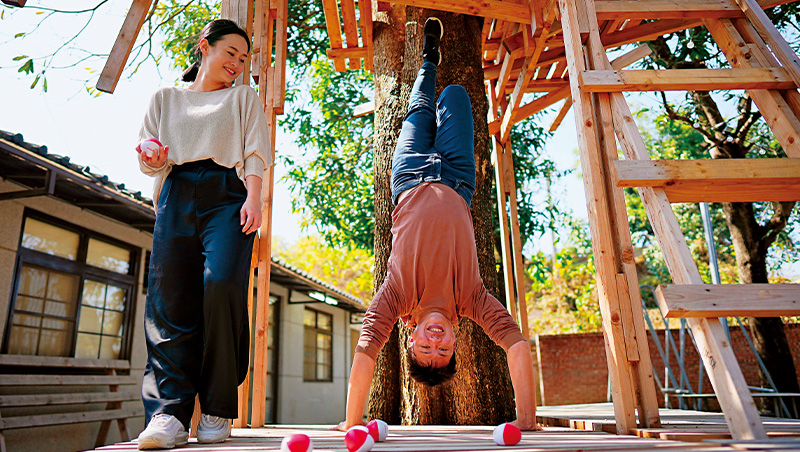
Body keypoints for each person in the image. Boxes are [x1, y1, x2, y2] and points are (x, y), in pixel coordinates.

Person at [334, 17, 542, 432]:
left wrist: (350, 422)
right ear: (455, 342)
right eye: (441, 349)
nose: (433, 341)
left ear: (408, 340)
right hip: (458, 176)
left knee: (419, 109)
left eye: (424, 348)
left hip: (409, 174)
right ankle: (436, 71)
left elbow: (365, 352)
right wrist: (527, 419)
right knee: (457, 96)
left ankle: (429, 57)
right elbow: (516, 346)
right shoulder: (472, 299)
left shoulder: (395, 298)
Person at [134, 19, 272, 449]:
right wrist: (152, 154)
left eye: (243, 58)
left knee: (223, 285)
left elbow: (255, 152)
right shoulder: (165, 98)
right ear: (204, 47)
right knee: (169, 299)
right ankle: (168, 414)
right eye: (230, 52)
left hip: (228, 196)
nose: (236, 63)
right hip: (176, 193)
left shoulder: (242, 98)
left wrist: (254, 199)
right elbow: (150, 158)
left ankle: (216, 406)